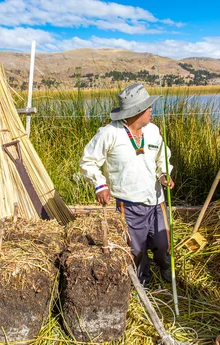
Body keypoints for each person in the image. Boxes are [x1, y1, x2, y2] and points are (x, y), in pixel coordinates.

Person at [79, 83, 175, 285]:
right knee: (136, 249)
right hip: (129, 204)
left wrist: (164, 173)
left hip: (157, 200)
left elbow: (162, 156)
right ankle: (142, 281)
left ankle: (165, 266)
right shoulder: (109, 133)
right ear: (136, 111)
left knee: (162, 242)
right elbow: (88, 161)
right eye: (147, 107)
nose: (151, 109)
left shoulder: (153, 130)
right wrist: (100, 185)